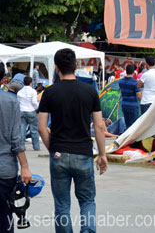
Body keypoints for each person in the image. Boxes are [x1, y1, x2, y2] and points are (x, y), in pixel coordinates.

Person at [37, 48, 108, 233]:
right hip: (83, 153)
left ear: (56, 67)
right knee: (87, 201)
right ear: (76, 66)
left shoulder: (49, 93)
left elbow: (41, 128)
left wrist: (53, 148)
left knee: (61, 205)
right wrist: (102, 154)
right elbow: (99, 126)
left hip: (59, 153)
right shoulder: (90, 91)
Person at [0, 62, 32, 233]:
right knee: (5, 219)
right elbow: (16, 140)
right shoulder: (10, 102)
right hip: (4, 171)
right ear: (3, 79)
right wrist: (25, 167)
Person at [17, 76, 40, 151]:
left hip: (21, 111)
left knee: (22, 130)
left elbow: (18, 102)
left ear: (23, 82)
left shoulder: (19, 92)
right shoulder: (33, 91)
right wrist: (36, 108)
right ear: (31, 83)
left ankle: (22, 146)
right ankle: (36, 147)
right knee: (34, 130)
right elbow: (34, 102)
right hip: (31, 111)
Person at [119, 65, 142, 129]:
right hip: (133, 106)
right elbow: (139, 95)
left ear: (126, 71)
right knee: (134, 126)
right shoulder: (135, 82)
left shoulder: (121, 81)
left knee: (127, 125)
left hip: (124, 105)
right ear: (133, 72)